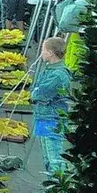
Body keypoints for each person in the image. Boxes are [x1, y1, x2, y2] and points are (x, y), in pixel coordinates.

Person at [29, 36, 73, 176]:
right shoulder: (50, 69)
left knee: (54, 157)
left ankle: (58, 184)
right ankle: (51, 182)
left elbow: (41, 93)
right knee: (47, 156)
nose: (41, 53)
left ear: (50, 53)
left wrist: (35, 94)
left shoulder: (58, 74)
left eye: (43, 49)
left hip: (52, 118)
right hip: (44, 116)